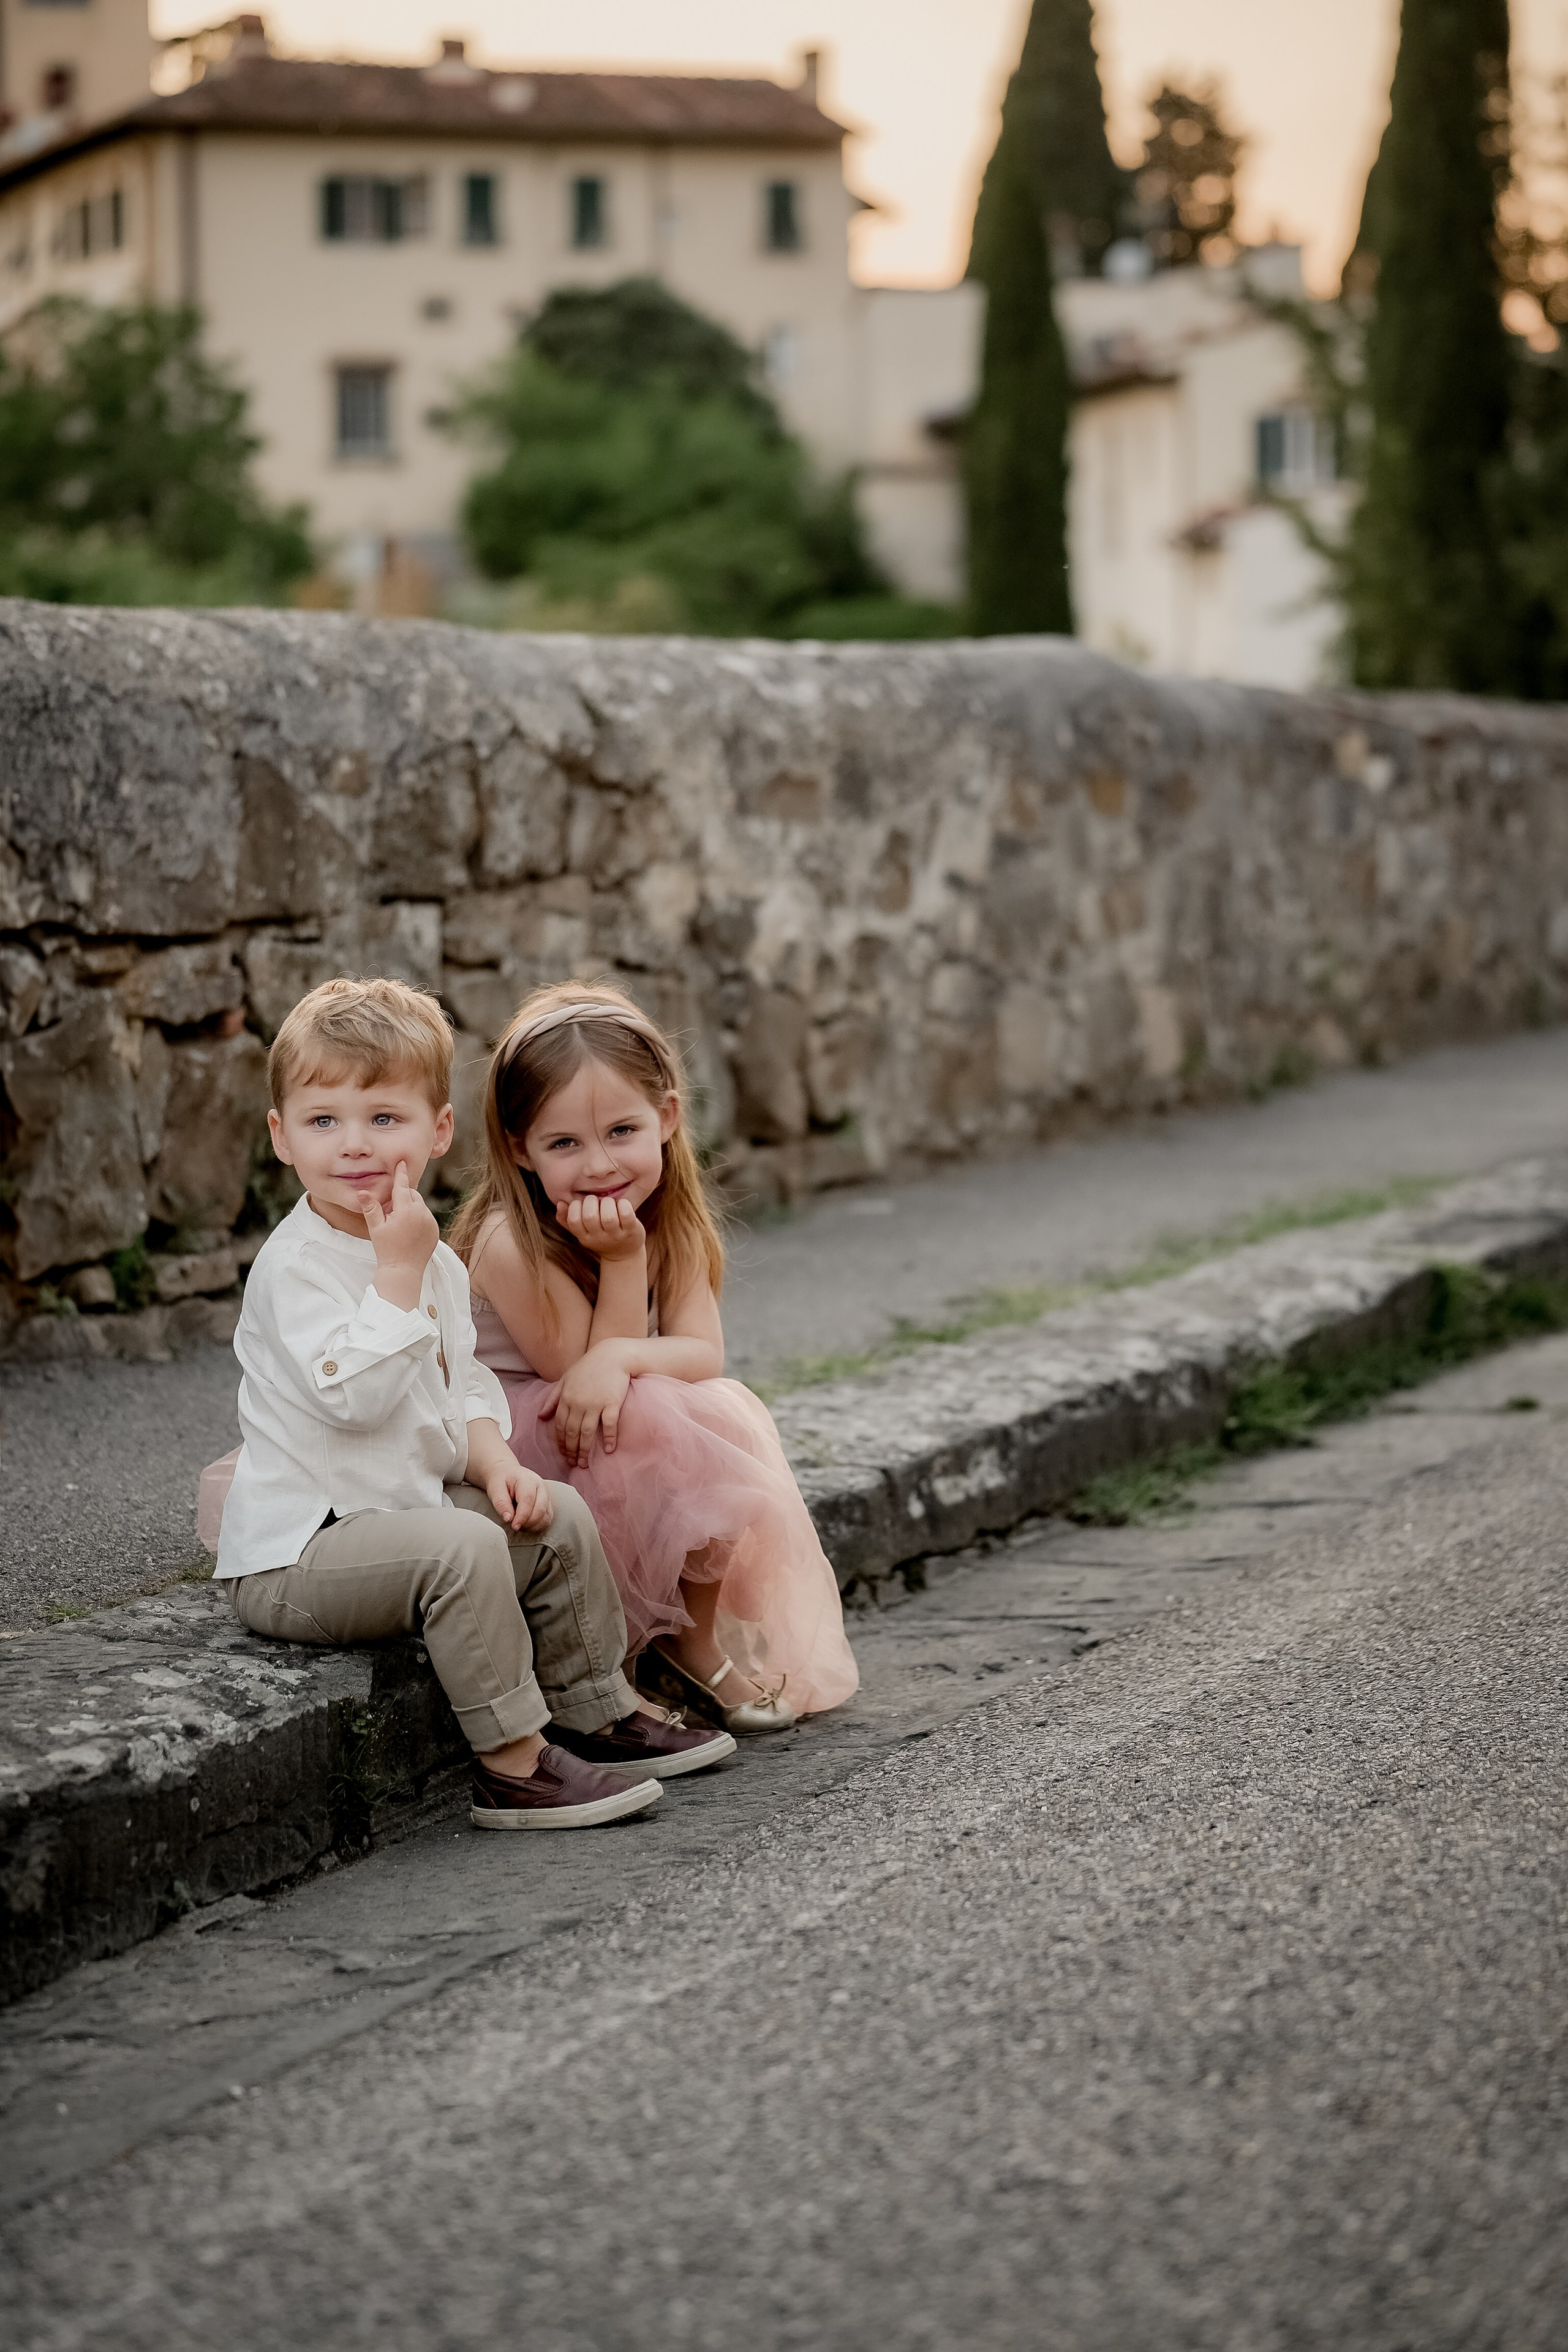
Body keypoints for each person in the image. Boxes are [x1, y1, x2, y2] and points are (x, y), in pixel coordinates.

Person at [202, 975, 736, 1831]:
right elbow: (354, 1403)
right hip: (303, 1551)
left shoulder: (429, 1257)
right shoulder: (297, 1267)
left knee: (553, 1515)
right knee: (460, 1548)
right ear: (281, 1137)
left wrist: (493, 1462)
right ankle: (514, 1768)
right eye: (324, 1121)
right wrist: (397, 1277)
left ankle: (596, 1710)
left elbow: (465, 1384)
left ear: (438, 1131)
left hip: (397, 1510)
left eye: (385, 1119)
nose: (355, 1146)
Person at [449, 979, 860, 1735]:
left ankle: (688, 1642)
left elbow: (703, 1351)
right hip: (512, 1430)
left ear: (667, 1117)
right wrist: (624, 1263)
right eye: (564, 1143)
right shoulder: (508, 1240)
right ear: (519, 1147)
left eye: (622, 1131)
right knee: (644, 1409)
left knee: (711, 1411)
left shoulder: (671, 1221)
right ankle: (614, 1664)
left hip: (596, 1415)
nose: (601, 1164)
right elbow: (576, 1374)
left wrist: (627, 1347)